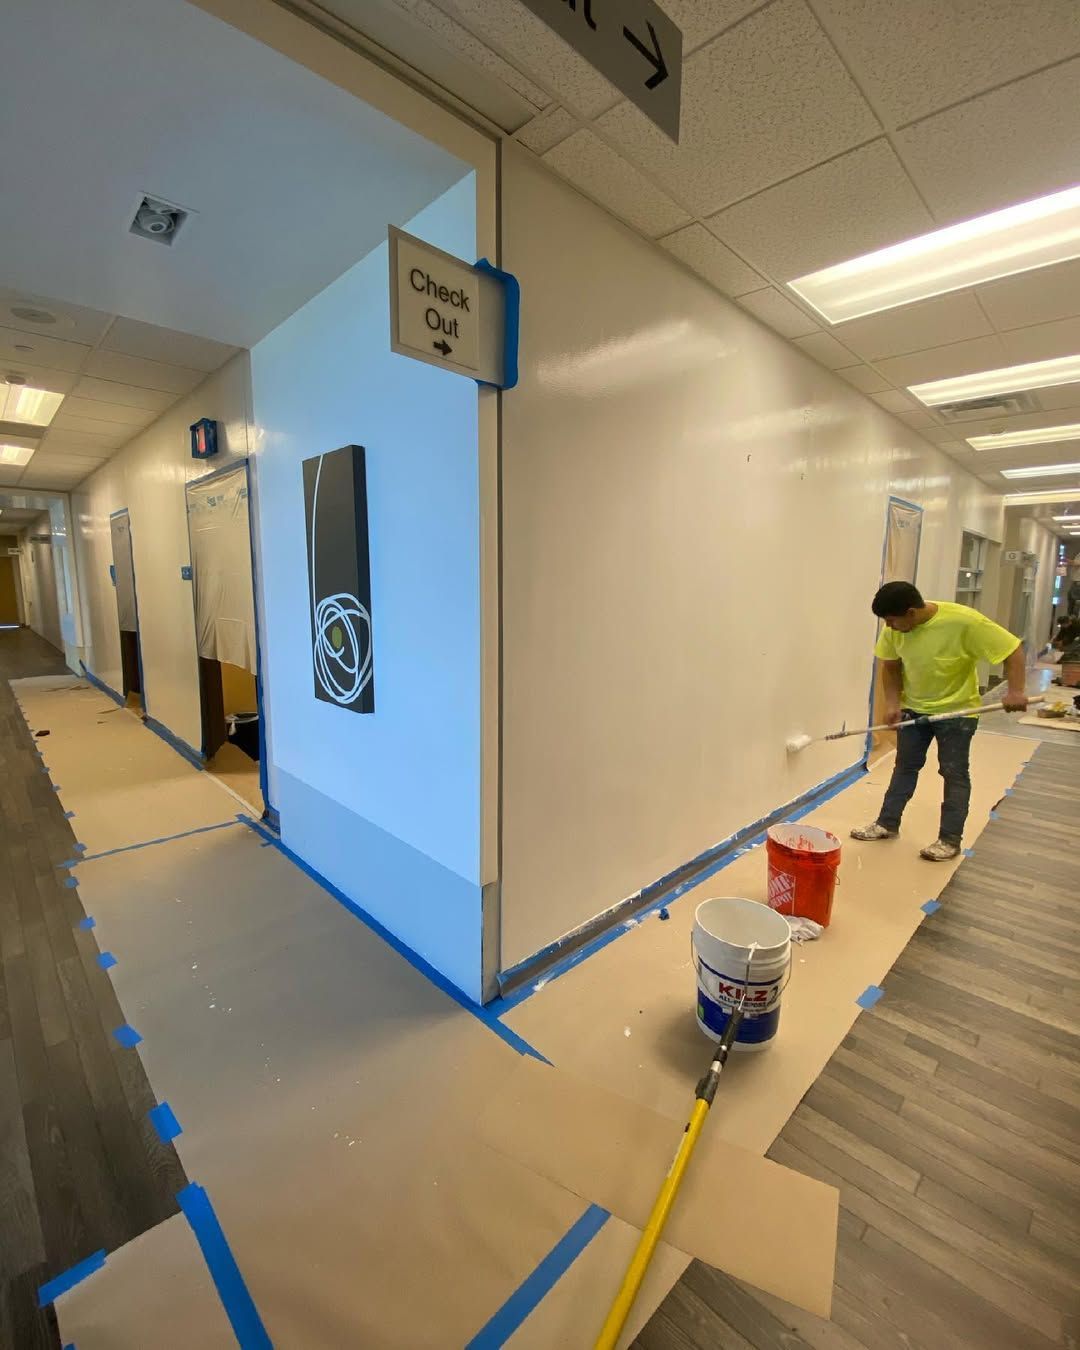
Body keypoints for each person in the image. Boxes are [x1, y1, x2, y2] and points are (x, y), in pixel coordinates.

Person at [852, 582, 1028, 861]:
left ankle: (949, 840)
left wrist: (1016, 691)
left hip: (956, 714)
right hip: (915, 710)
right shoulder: (894, 629)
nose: (890, 627)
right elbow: (891, 665)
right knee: (905, 767)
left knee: (953, 773)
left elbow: (1012, 649)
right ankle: (887, 824)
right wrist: (894, 704)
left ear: (911, 612)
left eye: (892, 621)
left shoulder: (964, 621)